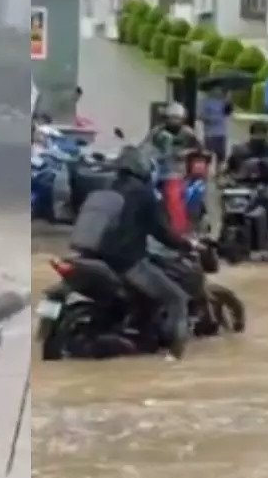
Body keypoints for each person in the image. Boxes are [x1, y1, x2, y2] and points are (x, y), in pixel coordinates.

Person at [71, 145, 196, 358]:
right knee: (177, 298)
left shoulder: (106, 187)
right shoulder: (143, 194)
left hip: (91, 254)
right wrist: (185, 244)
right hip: (125, 262)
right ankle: (174, 357)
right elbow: (160, 231)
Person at [148, 101, 202, 166]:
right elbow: (147, 148)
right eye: (172, 118)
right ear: (166, 118)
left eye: (177, 118)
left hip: (181, 166)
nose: (174, 121)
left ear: (183, 119)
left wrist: (187, 152)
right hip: (161, 165)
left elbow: (198, 150)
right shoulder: (157, 131)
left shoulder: (188, 132)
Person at [199, 88, 231, 167]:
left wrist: (228, 99)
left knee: (221, 157)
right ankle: (208, 174)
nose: (217, 91)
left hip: (221, 133)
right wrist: (210, 118)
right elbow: (200, 116)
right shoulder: (205, 102)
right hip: (210, 133)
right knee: (208, 156)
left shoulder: (223, 102)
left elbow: (228, 113)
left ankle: (218, 175)